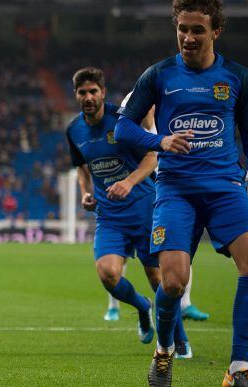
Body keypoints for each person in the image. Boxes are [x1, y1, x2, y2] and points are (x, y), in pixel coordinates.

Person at [115, 0, 248, 387]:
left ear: (216, 31)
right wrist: (160, 141)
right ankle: (164, 349)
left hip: (225, 186)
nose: (188, 37)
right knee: (173, 283)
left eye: (197, 30)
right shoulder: (158, 75)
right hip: (176, 189)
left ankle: (238, 368)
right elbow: (122, 127)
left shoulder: (238, 78)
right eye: (183, 29)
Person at [66, 69, 192, 356]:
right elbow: (82, 168)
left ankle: (179, 340)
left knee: (159, 280)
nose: (88, 97)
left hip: (143, 209)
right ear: (75, 95)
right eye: (82, 92)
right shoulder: (74, 130)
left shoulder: (122, 120)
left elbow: (152, 156)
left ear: (103, 91)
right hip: (110, 216)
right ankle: (142, 307)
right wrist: (86, 192)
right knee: (107, 274)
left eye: (92, 91)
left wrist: (129, 181)